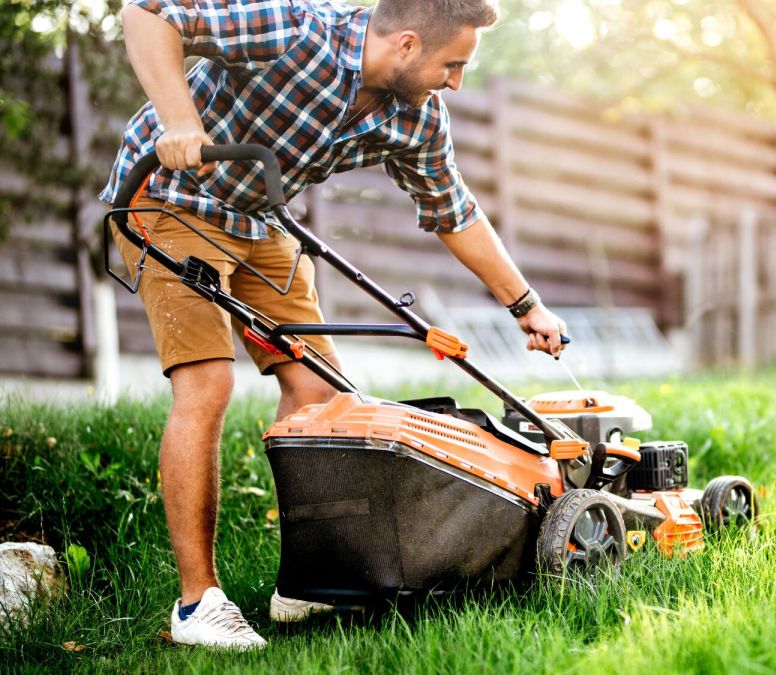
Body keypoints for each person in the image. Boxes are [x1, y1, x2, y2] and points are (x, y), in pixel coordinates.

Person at [101, 0, 567, 650]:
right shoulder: (298, 32)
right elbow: (148, 13)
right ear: (406, 45)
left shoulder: (417, 115)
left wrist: (527, 306)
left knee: (322, 398)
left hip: (259, 218)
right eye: (452, 64)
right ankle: (196, 604)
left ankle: (310, 583)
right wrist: (179, 120)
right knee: (206, 383)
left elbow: (453, 209)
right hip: (171, 198)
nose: (456, 82)